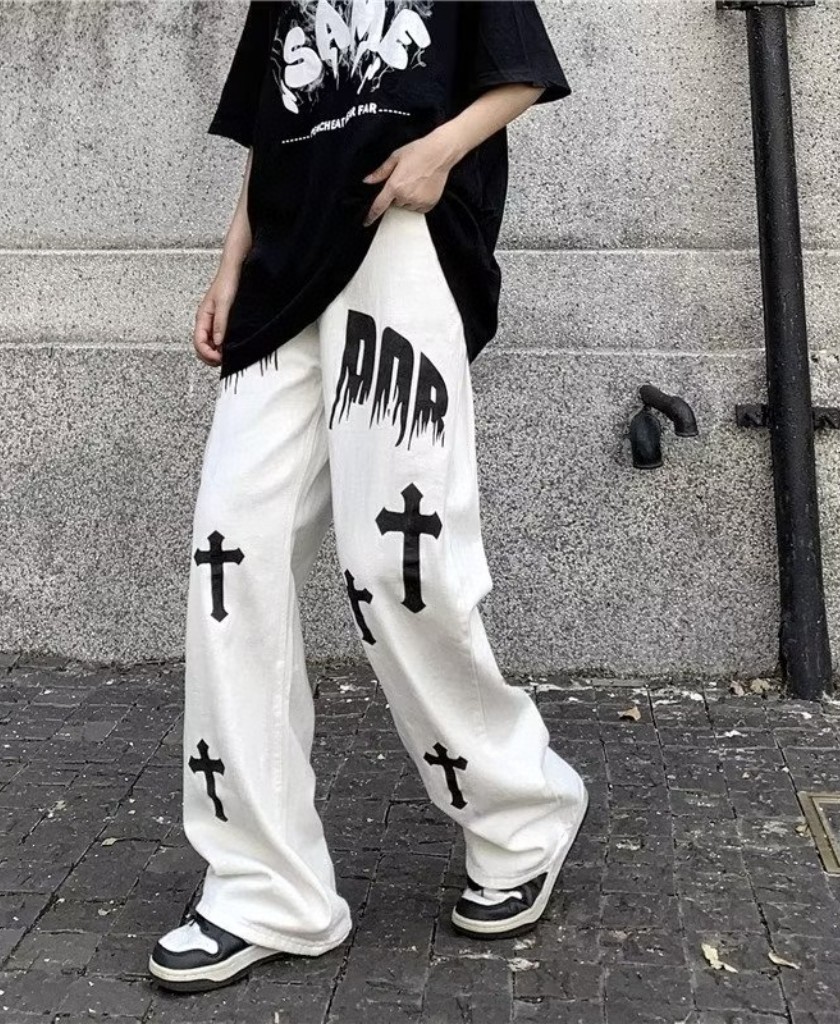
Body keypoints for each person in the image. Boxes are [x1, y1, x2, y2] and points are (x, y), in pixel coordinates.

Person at [148, 0, 587, 994]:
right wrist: (228, 262)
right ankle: (265, 887)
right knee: (230, 558)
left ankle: (521, 814)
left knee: (398, 562)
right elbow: (272, 127)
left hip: (401, 244)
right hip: (281, 274)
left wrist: (439, 151)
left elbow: (520, 71)